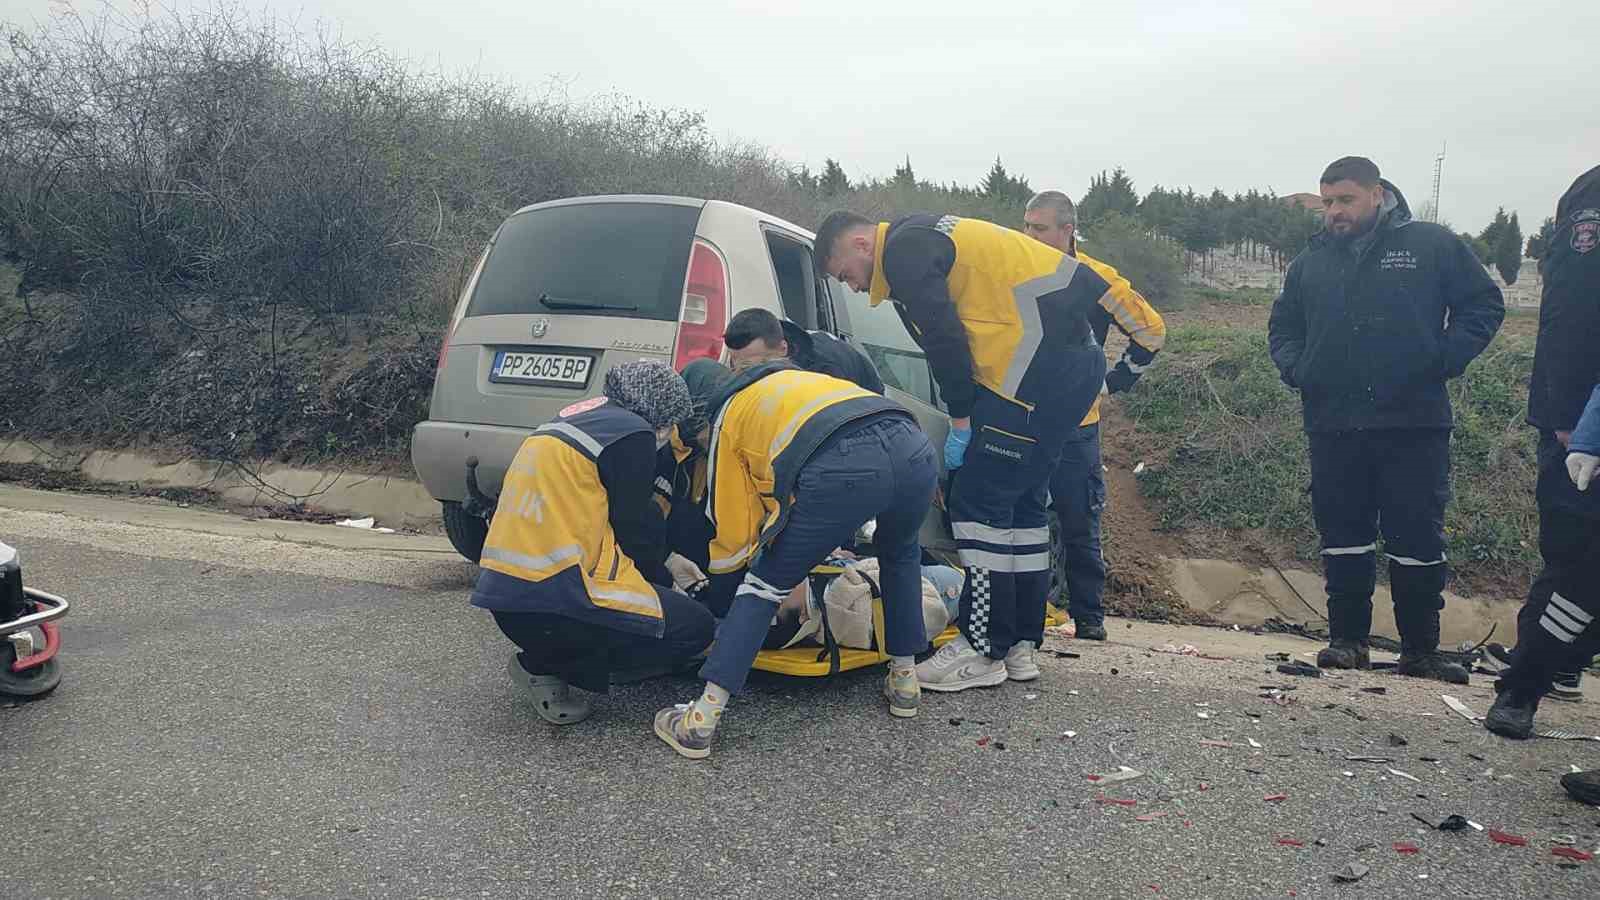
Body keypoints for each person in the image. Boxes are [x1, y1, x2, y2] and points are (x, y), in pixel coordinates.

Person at [815, 209, 1108, 692]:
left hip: (1018, 385)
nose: (849, 286)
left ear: (862, 245)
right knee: (1024, 511)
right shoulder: (929, 229)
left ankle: (982, 645)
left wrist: (961, 418)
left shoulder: (904, 252)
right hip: (1064, 374)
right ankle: (1018, 644)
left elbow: (944, 337)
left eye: (844, 273)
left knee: (977, 507)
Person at [1268, 156, 1504, 683]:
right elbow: (1282, 327)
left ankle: (1420, 651)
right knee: (1343, 535)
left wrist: (1442, 359)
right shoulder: (1311, 261)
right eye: (1327, 201)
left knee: (1416, 538)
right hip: (1333, 423)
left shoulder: (1429, 244)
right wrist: (1300, 369)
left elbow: (1483, 304)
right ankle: (1347, 642)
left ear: (1377, 194)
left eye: (1345, 200)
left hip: (1413, 422)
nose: (1334, 211)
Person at [653, 360, 939, 759]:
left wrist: (723, 591)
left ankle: (700, 721)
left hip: (843, 462)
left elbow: (732, 535)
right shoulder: (787, 383)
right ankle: (905, 682)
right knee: (901, 556)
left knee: (763, 586)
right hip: (913, 446)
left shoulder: (728, 420)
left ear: (699, 415)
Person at [470, 361, 716, 725]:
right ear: (656, 412)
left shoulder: (581, 419)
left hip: (509, 599)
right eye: (668, 422)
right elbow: (634, 524)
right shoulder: (633, 433)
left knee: (659, 612)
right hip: (555, 601)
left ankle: (547, 659)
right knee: (694, 626)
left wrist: (665, 560)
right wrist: (665, 581)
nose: (668, 432)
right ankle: (549, 667)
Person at [1485, 167, 1600, 812]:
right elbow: (1567, 311)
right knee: (1574, 567)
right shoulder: (1587, 194)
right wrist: (1570, 419)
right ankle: (1527, 684)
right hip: (1574, 424)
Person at [1021, 190, 1168, 641]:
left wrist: (1110, 382)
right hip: (1017, 418)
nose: (1029, 235)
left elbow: (1152, 331)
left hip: (1074, 426)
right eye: (1026, 226)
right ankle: (1024, 619)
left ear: (1068, 231)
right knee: (1018, 520)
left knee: (1078, 520)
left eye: (1040, 228)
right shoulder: (1011, 268)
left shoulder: (1095, 278)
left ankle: (1090, 619)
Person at [722, 307, 885, 393]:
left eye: (751, 367)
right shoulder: (755, 351)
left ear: (782, 349)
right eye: (734, 361)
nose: (741, 372)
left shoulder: (826, 372)